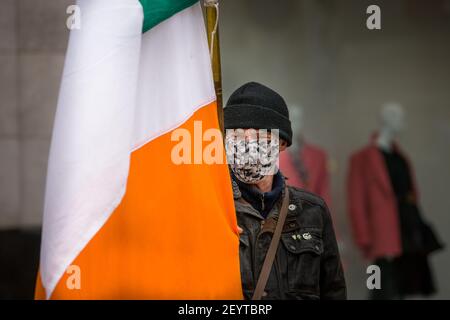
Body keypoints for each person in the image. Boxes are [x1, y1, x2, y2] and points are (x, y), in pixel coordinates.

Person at [224, 82, 346, 300]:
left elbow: (333, 291)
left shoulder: (312, 212)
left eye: (259, 136)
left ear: (282, 143)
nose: (247, 145)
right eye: (237, 136)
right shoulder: (215, 211)